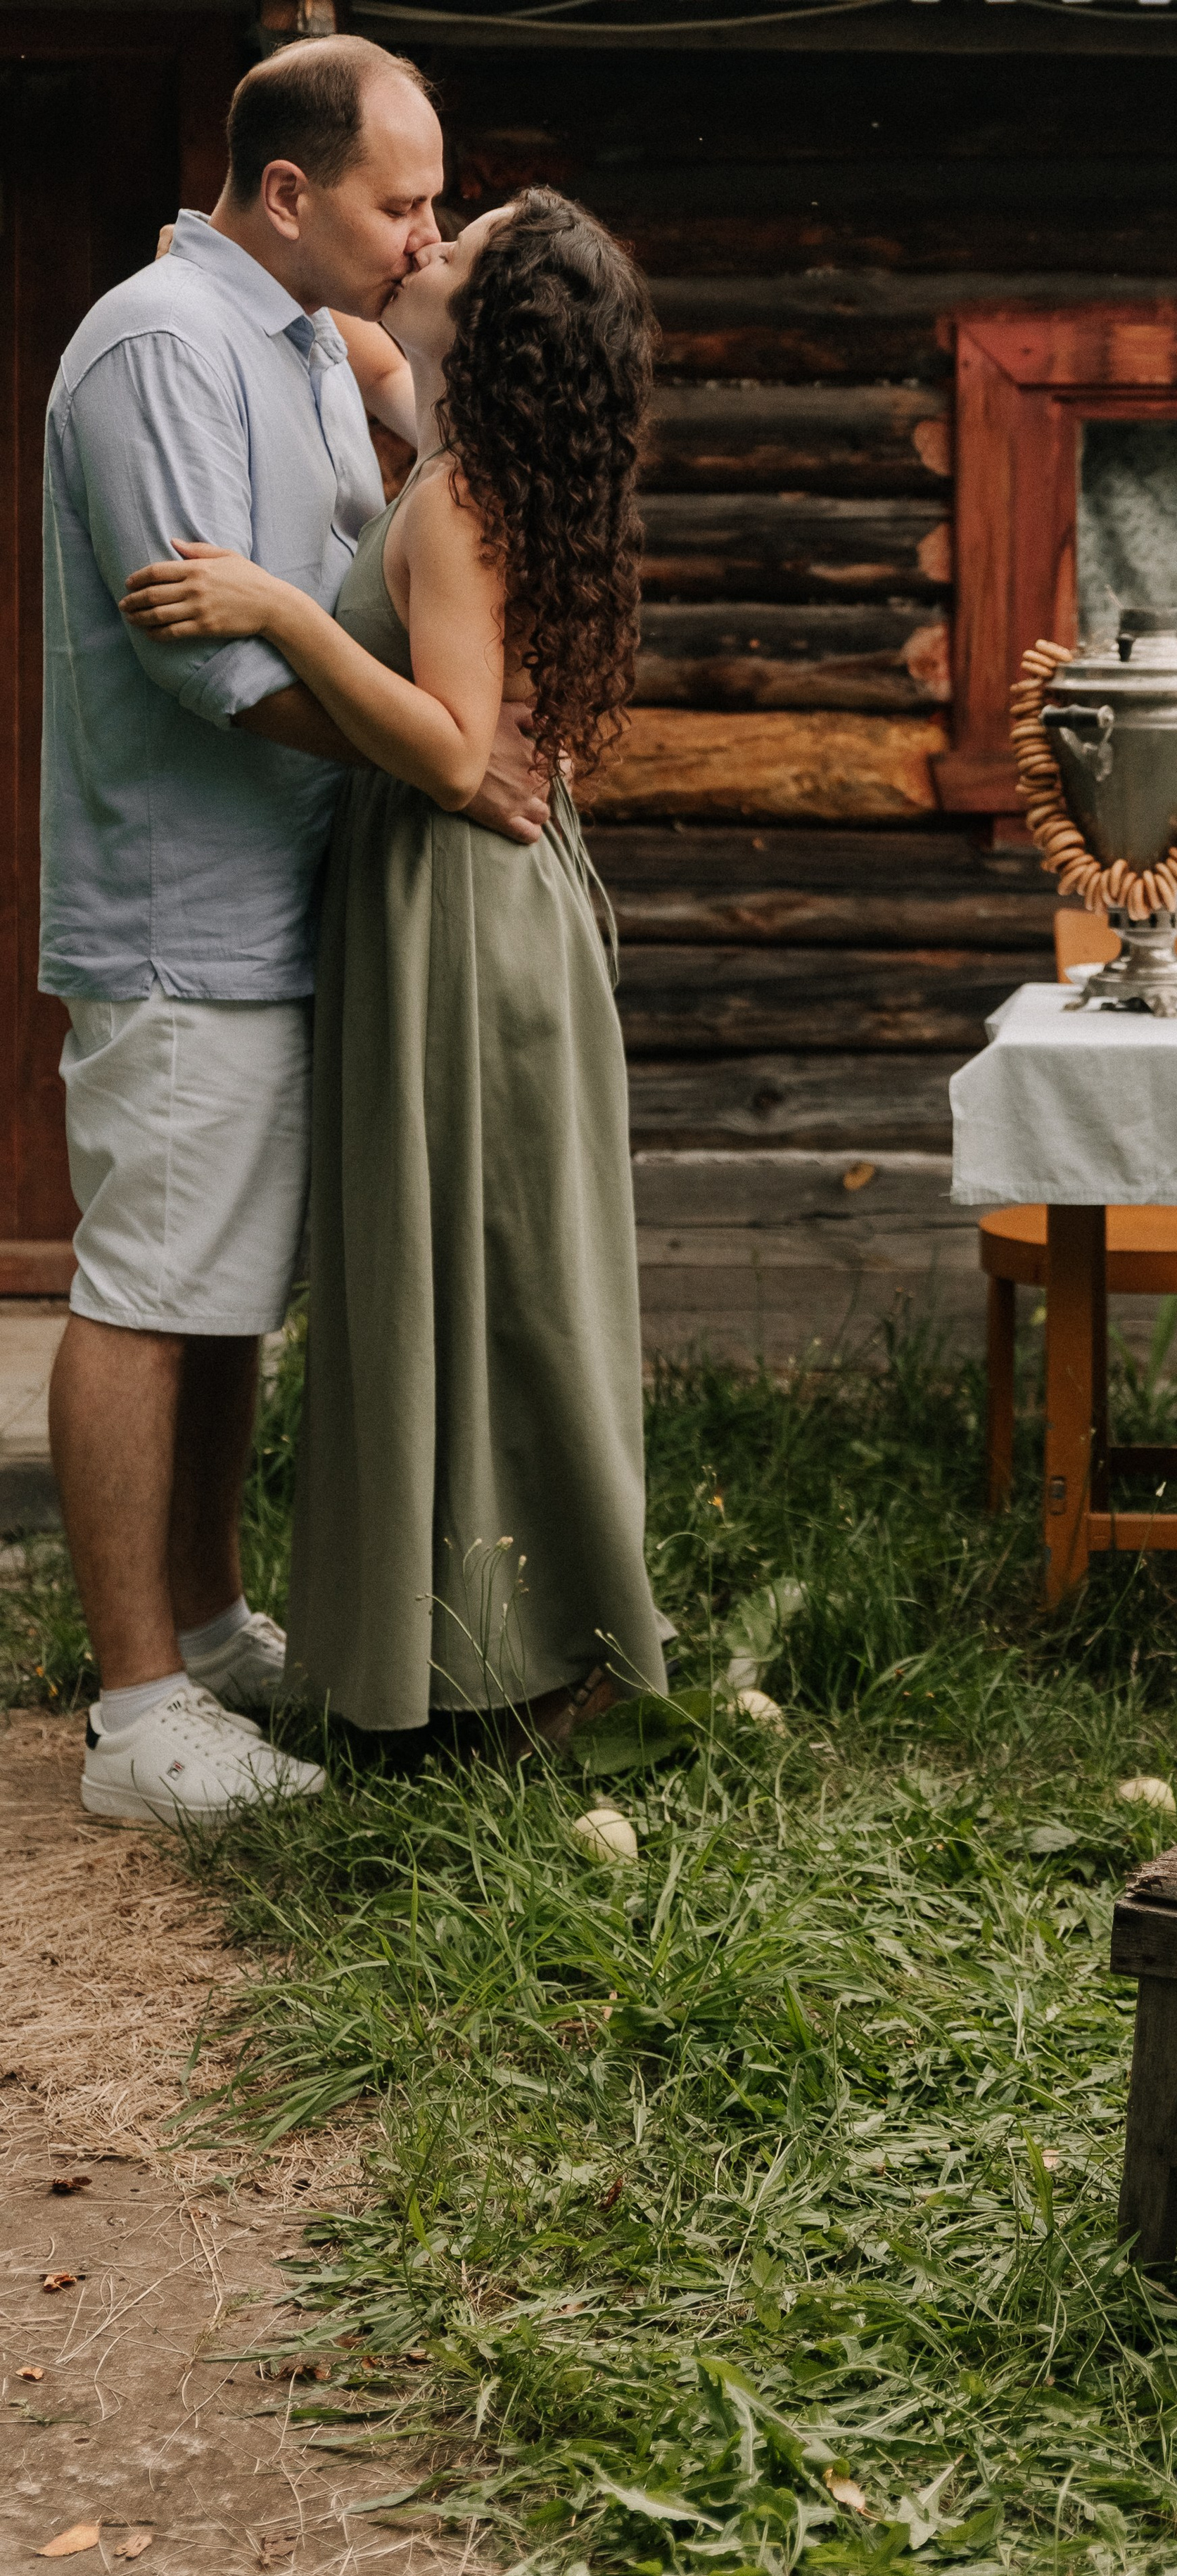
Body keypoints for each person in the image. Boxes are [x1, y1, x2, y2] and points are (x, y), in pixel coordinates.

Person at [42, 34, 549, 1827]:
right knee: (151, 1290)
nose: (424, 233)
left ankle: (202, 1622)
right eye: (400, 201)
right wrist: (442, 765)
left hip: (292, 907)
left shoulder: (300, 344)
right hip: (183, 913)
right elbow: (209, 664)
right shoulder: (163, 346)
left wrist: (459, 743)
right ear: (287, 193)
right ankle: (131, 1717)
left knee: (228, 1301)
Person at [122, 189, 669, 1743]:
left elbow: (443, 748)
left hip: (456, 913)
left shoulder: (453, 498)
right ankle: (502, 1649)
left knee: (477, 1269)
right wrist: (217, 260)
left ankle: (501, 1663)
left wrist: (281, 605)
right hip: (471, 907)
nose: (424, 245)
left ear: (489, 333)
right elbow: (365, 344)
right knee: (490, 1268)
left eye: (460, 243)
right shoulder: (467, 451)